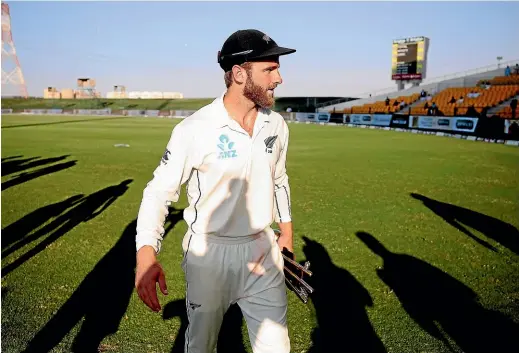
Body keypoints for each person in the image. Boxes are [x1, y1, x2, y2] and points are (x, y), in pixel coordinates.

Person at [134, 29, 296, 353]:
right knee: (201, 347)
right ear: (239, 73)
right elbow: (158, 192)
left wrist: (286, 232)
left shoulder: (276, 125)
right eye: (270, 69)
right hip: (209, 255)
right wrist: (145, 253)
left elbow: (280, 179)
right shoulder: (194, 129)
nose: (279, 78)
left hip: (262, 250)